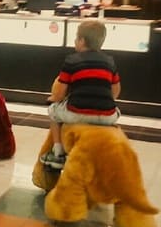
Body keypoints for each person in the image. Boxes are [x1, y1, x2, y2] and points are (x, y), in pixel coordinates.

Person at [40, 20, 121, 170]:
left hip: (78, 113)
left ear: (82, 41)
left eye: (76, 38)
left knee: (53, 111)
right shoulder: (110, 62)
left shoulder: (71, 61)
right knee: (116, 110)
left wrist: (52, 100)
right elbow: (115, 91)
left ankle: (58, 153)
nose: (75, 41)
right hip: (107, 116)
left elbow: (59, 94)